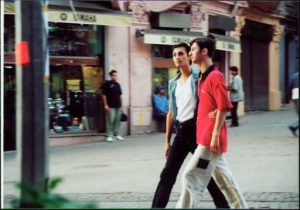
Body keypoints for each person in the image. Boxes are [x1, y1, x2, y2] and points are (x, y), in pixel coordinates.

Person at [151, 43, 229, 208]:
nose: (177, 57)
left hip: (198, 132)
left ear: (188, 56)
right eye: (174, 55)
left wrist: (215, 114)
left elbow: (212, 99)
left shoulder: (198, 77)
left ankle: (223, 206)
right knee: (167, 175)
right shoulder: (173, 83)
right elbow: (172, 112)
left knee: (205, 174)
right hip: (180, 133)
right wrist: (167, 141)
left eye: (180, 53)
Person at [176, 36, 248, 208]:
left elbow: (224, 107)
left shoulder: (215, 76)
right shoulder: (202, 77)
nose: (190, 53)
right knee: (225, 180)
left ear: (204, 51)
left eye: (193, 49)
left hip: (210, 139)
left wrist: (215, 134)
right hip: (204, 136)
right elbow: (215, 106)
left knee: (190, 176)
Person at [102, 70, 125, 142]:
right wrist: (105, 105)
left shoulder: (118, 84)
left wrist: (121, 106)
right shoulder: (107, 84)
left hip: (118, 105)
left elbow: (120, 95)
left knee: (117, 120)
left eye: (116, 75)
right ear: (111, 76)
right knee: (110, 120)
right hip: (110, 106)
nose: (115, 77)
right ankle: (109, 135)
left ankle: (117, 134)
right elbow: (104, 95)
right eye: (114, 75)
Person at [288, 71, 299, 136]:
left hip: (295, 95)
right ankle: (294, 126)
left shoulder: (294, 76)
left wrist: (290, 98)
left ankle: (294, 127)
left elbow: (290, 87)